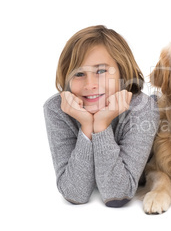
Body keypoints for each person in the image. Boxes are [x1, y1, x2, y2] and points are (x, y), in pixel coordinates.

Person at [44, 25, 159, 207]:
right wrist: (87, 128)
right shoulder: (57, 109)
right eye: (79, 74)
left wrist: (102, 125)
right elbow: (74, 193)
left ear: (122, 71)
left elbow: (118, 194)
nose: (90, 85)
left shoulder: (142, 108)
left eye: (101, 71)